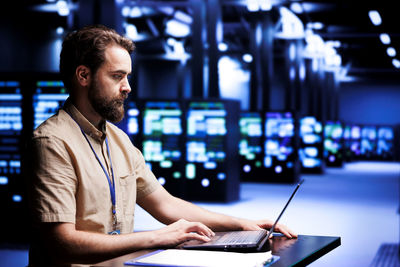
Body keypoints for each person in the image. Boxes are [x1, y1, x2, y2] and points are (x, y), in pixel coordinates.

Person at [28, 24, 297, 267]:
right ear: (83, 75)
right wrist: (157, 237)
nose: (127, 87)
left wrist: (241, 224)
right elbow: (62, 244)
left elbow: (166, 205)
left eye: (128, 77)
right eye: (117, 76)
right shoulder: (53, 143)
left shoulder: (118, 140)